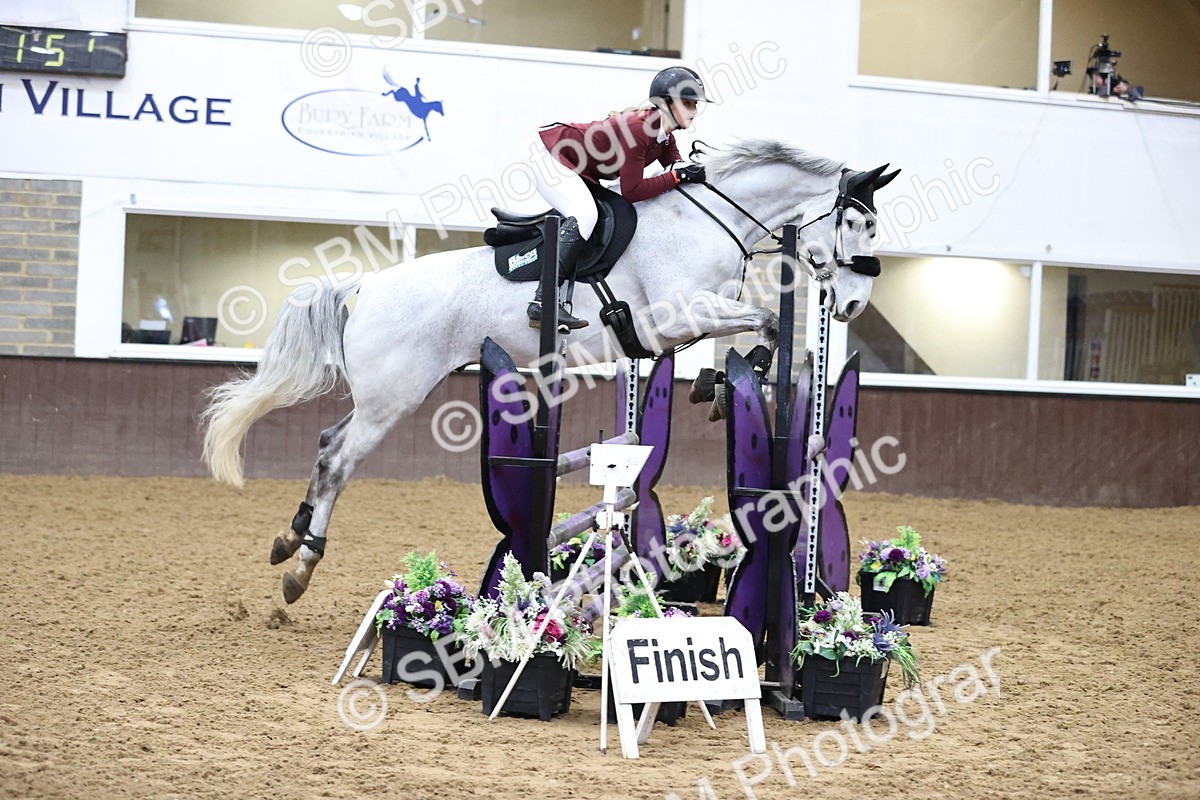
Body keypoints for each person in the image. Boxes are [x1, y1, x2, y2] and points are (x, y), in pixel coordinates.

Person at [525, 65, 713, 331]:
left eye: (695, 104)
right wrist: (679, 178)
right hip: (548, 153)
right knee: (586, 214)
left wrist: (699, 172)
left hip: (575, 164)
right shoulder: (640, 130)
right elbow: (633, 191)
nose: (694, 111)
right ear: (666, 104)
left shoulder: (663, 136)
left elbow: (676, 168)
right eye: (688, 103)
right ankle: (542, 304)